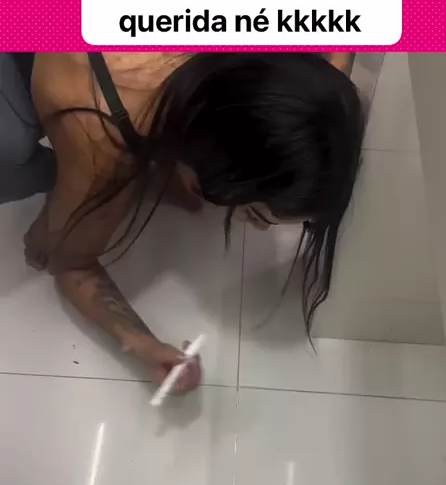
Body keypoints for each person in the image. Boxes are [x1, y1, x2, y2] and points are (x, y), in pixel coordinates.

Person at [0, 51, 363, 394]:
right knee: (22, 167)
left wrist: (322, 105)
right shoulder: (103, 139)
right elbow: (72, 266)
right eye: (254, 213)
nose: (259, 229)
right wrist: (143, 345)